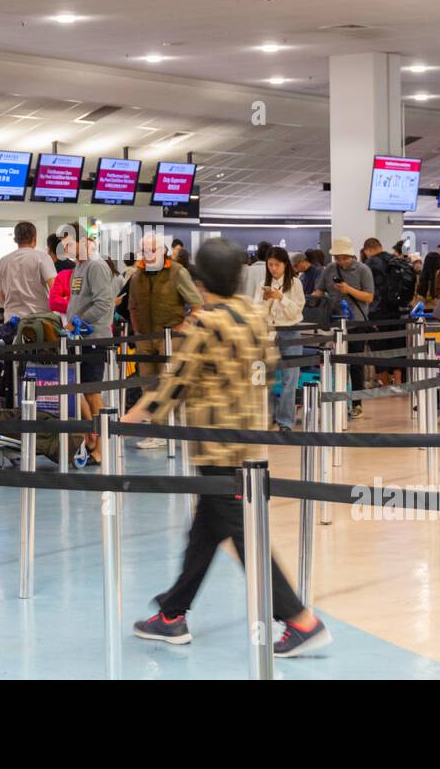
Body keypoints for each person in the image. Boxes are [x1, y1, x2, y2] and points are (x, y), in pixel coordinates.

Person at [124, 238, 332, 657]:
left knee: (243, 536)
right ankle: (171, 614)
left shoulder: (207, 322)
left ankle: (298, 619)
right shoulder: (254, 315)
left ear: (202, 280)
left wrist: (131, 418)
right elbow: (269, 366)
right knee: (206, 531)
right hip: (253, 442)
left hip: (217, 448)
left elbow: (176, 383)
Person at [127, 231, 203, 447]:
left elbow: (197, 304)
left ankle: (175, 430)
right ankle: (157, 433)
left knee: (172, 385)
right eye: (143, 251)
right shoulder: (137, 275)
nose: (147, 255)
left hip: (171, 337)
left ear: (163, 251)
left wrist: (182, 327)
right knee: (148, 385)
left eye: (152, 250)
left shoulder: (177, 272)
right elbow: (132, 305)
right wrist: (137, 331)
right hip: (145, 337)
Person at [66, 226, 116, 461]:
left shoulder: (95, 265)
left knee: (93, 393)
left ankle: (101, 449)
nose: (66, 249)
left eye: (69, 243)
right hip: (79, 339)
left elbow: (104, 304)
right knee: (83, 392)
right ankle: (91, 437)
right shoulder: (79, 265)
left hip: (94, 338)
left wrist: (80, 321)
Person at [311, 236, 374, 419]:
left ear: (351, 255)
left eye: (344, 257)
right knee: (334, 364)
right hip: (334, 324)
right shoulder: (329, 269)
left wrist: (348, 290)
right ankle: (335, 400)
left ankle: (357, 404)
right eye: (338, 257)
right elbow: (319, 291)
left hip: (356, 324)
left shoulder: (363, 270)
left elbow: (369, 297)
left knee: (355, 366)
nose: (341, 261)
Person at [258, 247, 306, 432]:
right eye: (270, 265)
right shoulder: (263, 283)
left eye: (276, 265)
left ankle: (285, 421)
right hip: (269, 332)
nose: (273, 269)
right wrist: (266, 300)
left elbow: (296, 311)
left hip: (290, 333)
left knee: (290, 380)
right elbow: (258, 312)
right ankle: (269, 417)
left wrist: (281, 298)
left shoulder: (295, 284)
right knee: (266, 378)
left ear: (285, 264)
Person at [360, 237, 413, 385]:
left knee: (380, 349)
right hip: (398, 312)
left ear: (368, 250)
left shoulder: (370, 263)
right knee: (397, 347)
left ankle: (385, 385)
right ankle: (398, 382)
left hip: (378, 312)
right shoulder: (395, 260)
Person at [0, 222, 57, 326]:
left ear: (15, 240)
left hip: (11, 322)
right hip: (39, 322)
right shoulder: (42, 258)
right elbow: (55, 289)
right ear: (34, 239)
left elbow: (2, 296)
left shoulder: (3, 261)